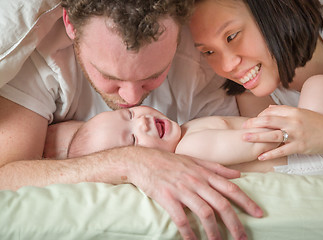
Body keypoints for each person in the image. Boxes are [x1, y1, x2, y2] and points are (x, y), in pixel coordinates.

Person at [0, 1, 263, 239]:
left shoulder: (201, 60)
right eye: (110, 78)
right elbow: (6, 175)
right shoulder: (41, 62)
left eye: (154, 75)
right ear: (70, 25)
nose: (133, 97)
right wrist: (128, 161)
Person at [188, 0, 323, 173]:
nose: (227, 66)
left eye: (232, 36)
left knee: (319, 88)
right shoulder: (253, 96)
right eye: (209, 52)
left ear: (273, 12)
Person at [44, 105, 284, 172]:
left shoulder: (187, 131)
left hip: (292, 144)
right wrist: (287, 125)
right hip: (298, 155)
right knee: (320, 83)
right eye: (133, 140)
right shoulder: (189, 150)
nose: (141, 122)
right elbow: (257, 143)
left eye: (129, 114)